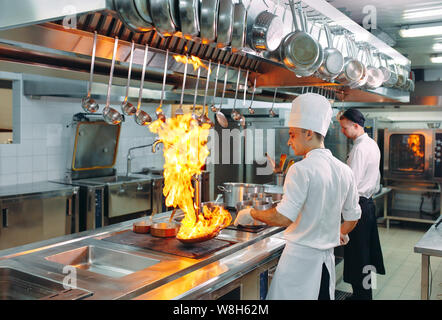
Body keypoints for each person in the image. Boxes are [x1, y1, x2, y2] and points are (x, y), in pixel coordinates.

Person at [234, 93, 361, 300]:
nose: (289, 141)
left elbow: (283, 217)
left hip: (298, 267)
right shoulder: (344, 170)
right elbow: (353, 217)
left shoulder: (300, 169)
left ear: (309, 133)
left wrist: (251, 213)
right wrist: (336, 233)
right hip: (325, 267)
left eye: (292, 134)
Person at [338, 108, 386, 300]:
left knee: (359, 258)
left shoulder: (359, 149)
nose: (342, 131)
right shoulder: (371, 144)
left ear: (356, 125)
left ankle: (362, 297)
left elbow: (351, 185)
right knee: (366, 256)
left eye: (344, 127)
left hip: (358, 207)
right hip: (367, 206)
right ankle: (365, 294)